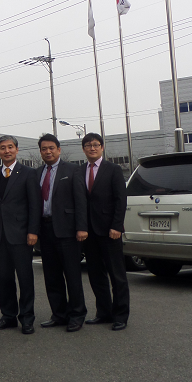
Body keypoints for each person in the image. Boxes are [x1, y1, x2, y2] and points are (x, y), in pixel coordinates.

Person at [0, 135, 40, 335]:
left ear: (17, 150)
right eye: (2, 148)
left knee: (25, 278)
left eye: (10, 147)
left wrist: (33, 231)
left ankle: (27, 318)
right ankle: (8, 316)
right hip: (0, 235)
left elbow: (35, 204)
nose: (6, 151)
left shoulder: (29, 173)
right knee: (4, 278)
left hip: (22, 234)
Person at [36, 133, 88, 332]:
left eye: (51, 148)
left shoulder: (73, 170)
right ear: (40, 152)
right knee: (52, 276)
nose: (48, 152)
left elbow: (81, 200)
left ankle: (77, 314)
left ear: (58, 149)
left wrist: (82, 227)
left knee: (72, 275)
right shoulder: (37, 173)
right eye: (44, 149)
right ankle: (58, 314)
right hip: (45, 230)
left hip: (67, 230)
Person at [80, 133, 130, 331]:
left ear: (102, 147)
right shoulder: (80, 170)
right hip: (89, 232)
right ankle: (104, 312)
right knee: (96, 275)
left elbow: (120, 199)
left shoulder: (113, 169)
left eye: (95, 145)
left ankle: (120, 315)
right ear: (83, 149)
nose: (92, 148)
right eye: (88, 145)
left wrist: (117, 226)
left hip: (110, 231)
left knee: (117, 275)